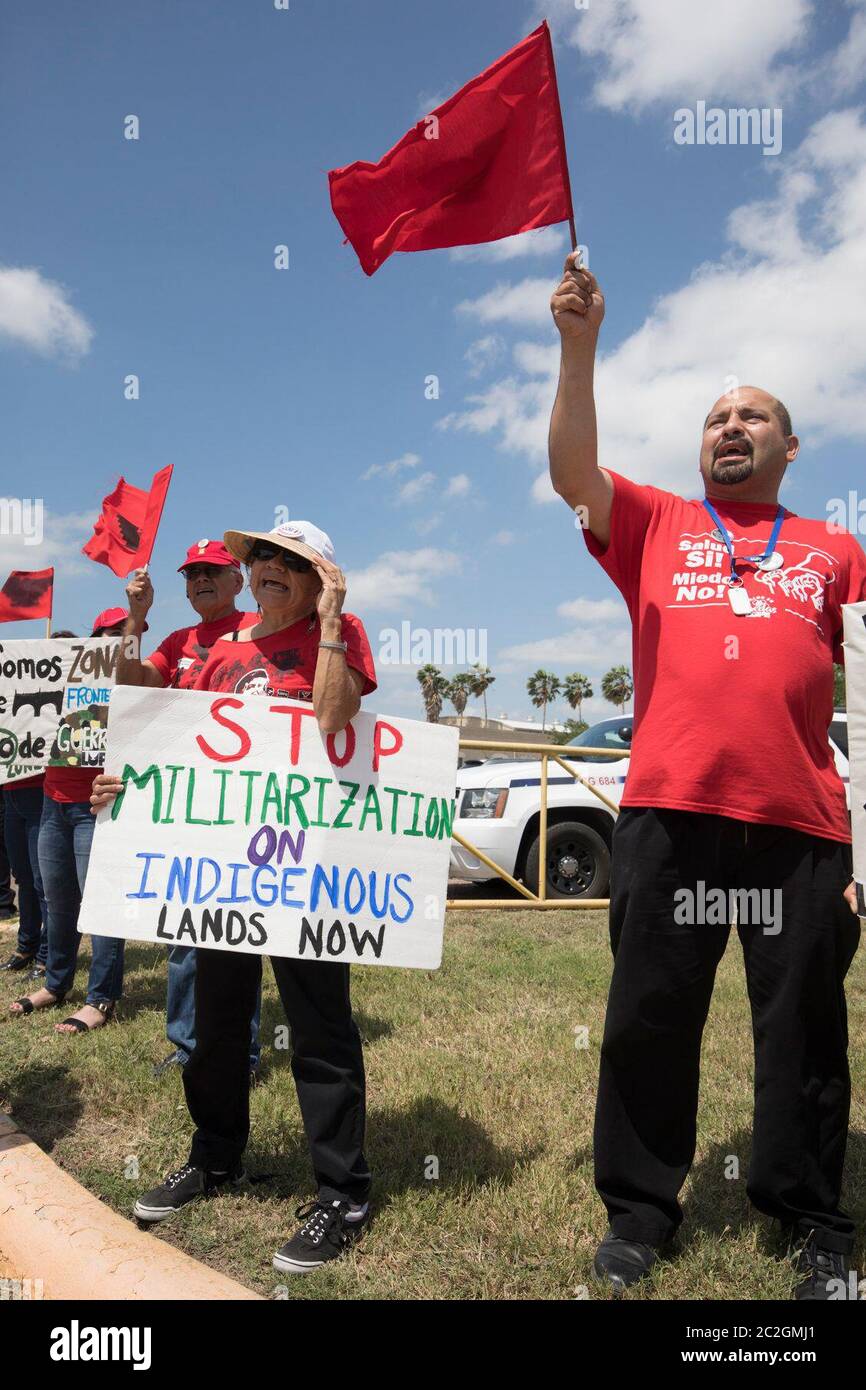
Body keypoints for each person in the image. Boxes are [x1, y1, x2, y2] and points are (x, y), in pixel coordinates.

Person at [548, 254, 865, 1301]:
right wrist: (578, 346)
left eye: (749, 416)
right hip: (668, 817)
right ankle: (638, 1213)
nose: (727, 427)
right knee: (647, 1014)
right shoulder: (652, 524)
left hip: (800, 827)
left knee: (803, 1029)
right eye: (713, 417)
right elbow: (570, 472)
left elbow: (861, 705)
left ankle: (811, 1218)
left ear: (786, 444)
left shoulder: (835, 550)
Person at [92, 520, 377, 1275]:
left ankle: (342, 1194)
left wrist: (329, 624)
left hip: (305, 866)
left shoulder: (339, 633)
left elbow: (332, 717)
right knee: (216, 1020)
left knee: (319, 1026)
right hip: (218, 868)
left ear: (323, 579)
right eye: (264, 559)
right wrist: (133, 782)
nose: (270, 569)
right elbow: (164, 731)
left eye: (293, 562)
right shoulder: (217, 649)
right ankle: (215, 1157)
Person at [116, 539, 261, 1077]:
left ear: (237, 580)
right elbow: (129, 682)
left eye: (212, 572)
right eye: (191, 573)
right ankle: (186, 1044)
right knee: (183, 934)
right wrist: (137, 615)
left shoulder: (259, 628)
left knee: (239, 934)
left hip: (244, 806)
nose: (199, 580)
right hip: (184, 809)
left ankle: (240, 1052)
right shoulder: (176, 641)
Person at [9, 611, 131, 1032]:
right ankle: (56, 983)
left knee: (98, 903)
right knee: (57, 900)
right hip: (51, 803)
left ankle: (101, 997)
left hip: (94, 808)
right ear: (93, 640)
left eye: (129, 637)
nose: (122, 642)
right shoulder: (57, 683)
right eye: (114, 635)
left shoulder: (133, 686)